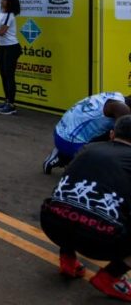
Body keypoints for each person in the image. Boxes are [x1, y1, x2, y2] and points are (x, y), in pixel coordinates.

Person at [40, 115, 131, 301]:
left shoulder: (88, 148)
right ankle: (110, 277)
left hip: (51, 222)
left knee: (73, 202)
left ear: (112, 134)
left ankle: (68, 260)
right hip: (99, 242)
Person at [43, 93, 131, 174]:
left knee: (115, 130)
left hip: (60, 132)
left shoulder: (117, 96)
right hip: (69, 141)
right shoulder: (122, 109)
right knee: (111, 164)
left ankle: (65, 155)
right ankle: (69, 158)